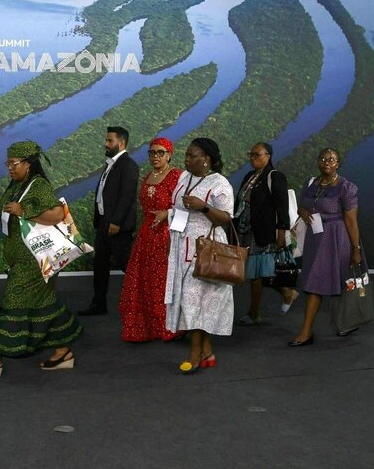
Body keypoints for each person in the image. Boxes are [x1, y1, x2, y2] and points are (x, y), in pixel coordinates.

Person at [0, 141, 83, 378]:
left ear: (28, 164)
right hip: (21, 260)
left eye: (14, 163)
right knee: (44, 303)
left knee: (12, 303)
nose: (9, 167)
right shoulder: (16, 185)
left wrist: (25, 211)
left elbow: (58, 214)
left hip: (34, 261)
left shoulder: (38, 185)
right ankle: (62, 351)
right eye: (7, 163)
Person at [164, 138, 235, 372]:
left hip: (206, 248)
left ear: (206, 159)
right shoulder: (185, 177)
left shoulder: (219, 183)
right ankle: (207, 352)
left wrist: (203, 206)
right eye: (186, 155)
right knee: (192, 301)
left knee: (194, 300)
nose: (186, 159)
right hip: (181, 244)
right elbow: (177, 208)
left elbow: (226, 218)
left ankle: (194, 354)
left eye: (192, 156)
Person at [289, 147, 363, 346]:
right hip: (315, 238)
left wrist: (356, 250)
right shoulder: (311, 183)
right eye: (322, 159)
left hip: (336, 239)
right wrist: (303, 211)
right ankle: (344, 323)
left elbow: (351, 221)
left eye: (331, 159)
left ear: (338, 163)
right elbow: (303, 205)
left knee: (327, 283)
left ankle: (307, 332)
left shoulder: (346, 187)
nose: (326, 162)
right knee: (324, 282)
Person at [118, 137, 182, 342]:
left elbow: (186, 208)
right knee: (143, 280)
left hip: (167, 236)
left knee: (162, 282)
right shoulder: (147, 177)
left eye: (160, 152)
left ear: (169, 154)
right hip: (147, 236)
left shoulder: (177, 176)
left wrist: (168, 214)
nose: (155, 156)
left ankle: (167, 326)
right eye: (152, 152)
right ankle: (144, 327)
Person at [233, 142, 298, 325]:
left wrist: (281, 232)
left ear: (268, 156)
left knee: (256, 274)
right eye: (251, 155)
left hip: (264, 231)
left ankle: (254, 313)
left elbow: (281, 206)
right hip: (247, 229)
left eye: (257, 155)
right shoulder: (249, 176)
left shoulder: (275, 176)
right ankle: (287, 293)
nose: (252, 158)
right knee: (259, 272)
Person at [79, 126, 140, 316]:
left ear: (121, 143)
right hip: (104, 224)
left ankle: (144, 303)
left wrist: (116, 222)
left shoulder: (128, 165)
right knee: (100, 265)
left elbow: (127, 196)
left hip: (117, 227)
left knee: (127, 265)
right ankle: (99, 304)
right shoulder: (111, 163)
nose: (106, 144)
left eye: (109, 141)